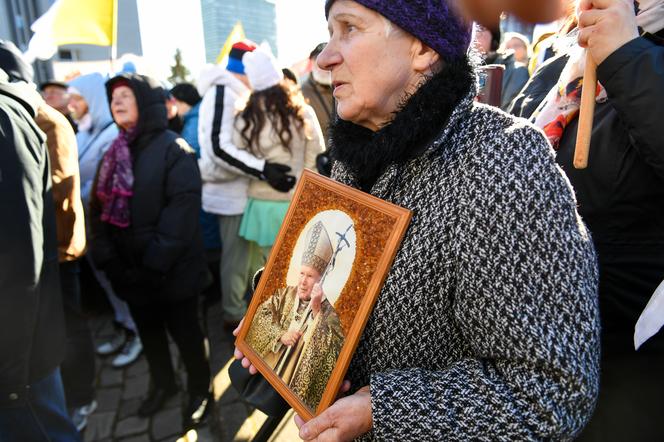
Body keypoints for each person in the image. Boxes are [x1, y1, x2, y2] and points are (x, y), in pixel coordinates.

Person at [235, 0, 601, 440]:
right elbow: (345, 288)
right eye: (329, 32)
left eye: (349, 28)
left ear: (423, 48)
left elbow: (549, 393)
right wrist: (273, 311)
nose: (326, 56)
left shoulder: (501, 166)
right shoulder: (358, 157)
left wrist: (384, 410)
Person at [512, 0, 664, 439]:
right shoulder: (561, 67)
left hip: (628, 374)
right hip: (539, 361)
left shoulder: (633, 53)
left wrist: (625, 55)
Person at [89, 73, 211, 429]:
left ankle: (200, 391)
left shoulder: (174, 149)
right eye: (113, 98)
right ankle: (163, 385)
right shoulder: (113, 152)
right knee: (151, 337)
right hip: (131, 275)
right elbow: (96, 211)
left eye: (127, 95)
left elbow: (181, 214)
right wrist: (111, 261)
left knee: (188, 337)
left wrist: (151, 266)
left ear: (147, 102)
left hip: (172, 274)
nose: (118, 102)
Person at [1, 39, 95, 432]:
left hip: (55, 250)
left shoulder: (30, 119)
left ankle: (84, 394)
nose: (66, 101)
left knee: (71, 329)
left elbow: (58, 188)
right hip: (48, 250)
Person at [197, 40, 296, 329]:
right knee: (237, 260)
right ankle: (232, 315)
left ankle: (248, 312)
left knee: (252, 261)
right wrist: (263, 168)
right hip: (230, 194)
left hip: (245, 192)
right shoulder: (222, 90)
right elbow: (218, 146)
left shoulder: (236, 91)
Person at [67, 72, 143, 368]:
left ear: (92, 100)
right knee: (108, 285)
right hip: (87, 226)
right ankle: (124, 327)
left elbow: (106, 186)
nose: (71, 104)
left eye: (77, 98)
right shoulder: (82, 132)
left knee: (120, 284)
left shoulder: (112, 136)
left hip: (106, 226)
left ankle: (136, 332)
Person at [234, 45, 325, 258]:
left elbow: (238, 160)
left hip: (262, 206)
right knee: (301, 272)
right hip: (296, 201)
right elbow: (316, 156)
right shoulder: (303, 112)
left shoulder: (244, 119)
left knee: (267, 272)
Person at [246, 221, 345, 411]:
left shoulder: (328, 312)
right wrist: (280, 334)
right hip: (263, 374)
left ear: (320, 281)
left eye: (310, 276)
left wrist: (317, 312)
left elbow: (334, 349)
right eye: (301, 273)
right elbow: (261, 315)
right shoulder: (286, 295)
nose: (303, 281)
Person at [170, 82, 223, 305]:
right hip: (212, 190)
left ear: (181, 102)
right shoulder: (199, 114)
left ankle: (214, 291)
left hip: (207, 191)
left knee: (210, 241)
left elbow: (191, 159)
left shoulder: (192, 121)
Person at [474, 24, 530, 110]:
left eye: (516, 45)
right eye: (508, 46)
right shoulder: (462, 67)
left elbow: (509, 108)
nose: (512, 49)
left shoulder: (519, 71)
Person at [301, 43, 335, 149]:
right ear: (311, 62)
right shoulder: (301, 93)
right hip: (317, 156)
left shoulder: (342, 88)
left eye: (328, 62)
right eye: (318, 61)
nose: (323, 67)